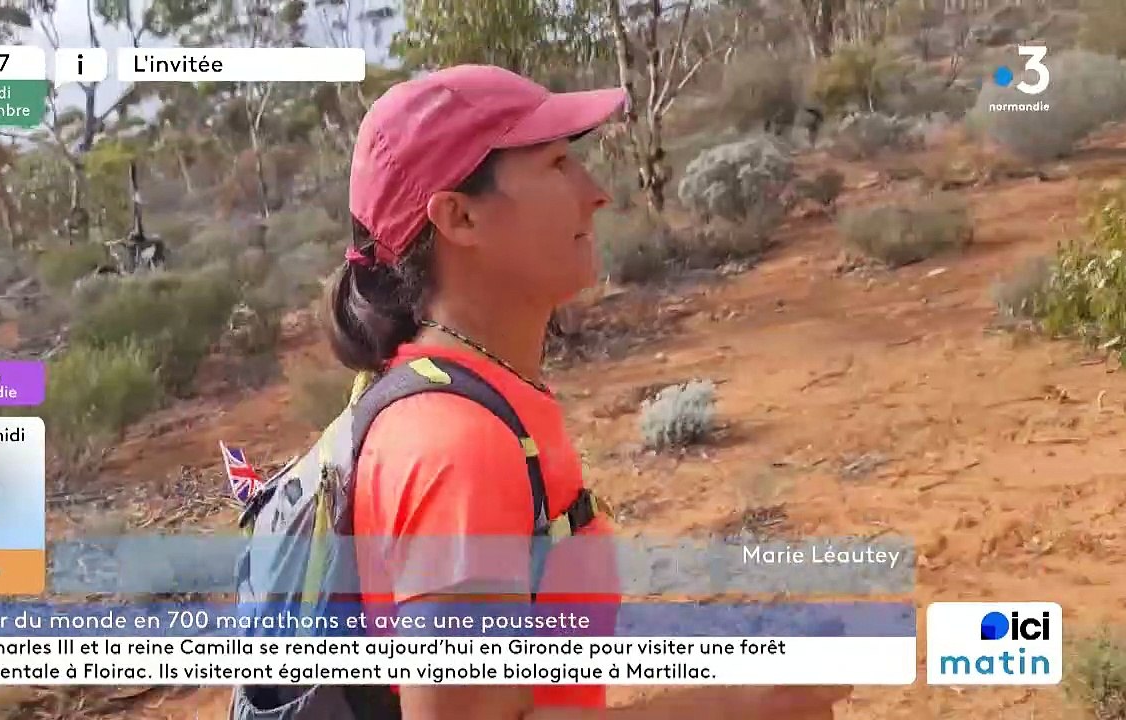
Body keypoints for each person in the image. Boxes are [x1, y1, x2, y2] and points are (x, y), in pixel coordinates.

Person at [324, 64, 851, 720]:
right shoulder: (456, 445)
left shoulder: (470, 397)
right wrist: (745, 704)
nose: (596, 193)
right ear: (460, 216)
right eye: (556, 165)